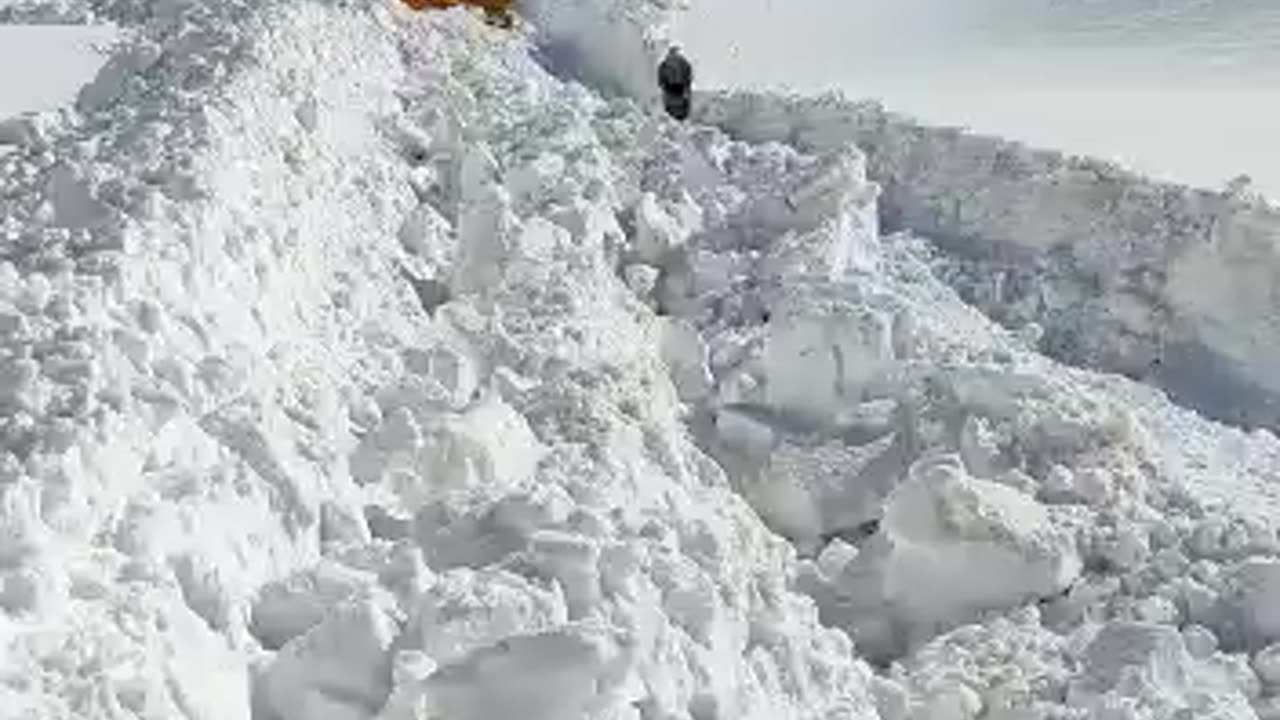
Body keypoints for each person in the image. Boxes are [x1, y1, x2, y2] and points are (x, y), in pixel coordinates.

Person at [657, 46, 693, 121]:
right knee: (679, 111)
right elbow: (688, 75)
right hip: (678, 88)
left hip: (670, 89)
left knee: (671, 112)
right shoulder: (684, 62)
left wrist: (662, 86)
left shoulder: (664, 63)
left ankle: (675, 120)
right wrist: (687, 88)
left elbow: (661, 77)